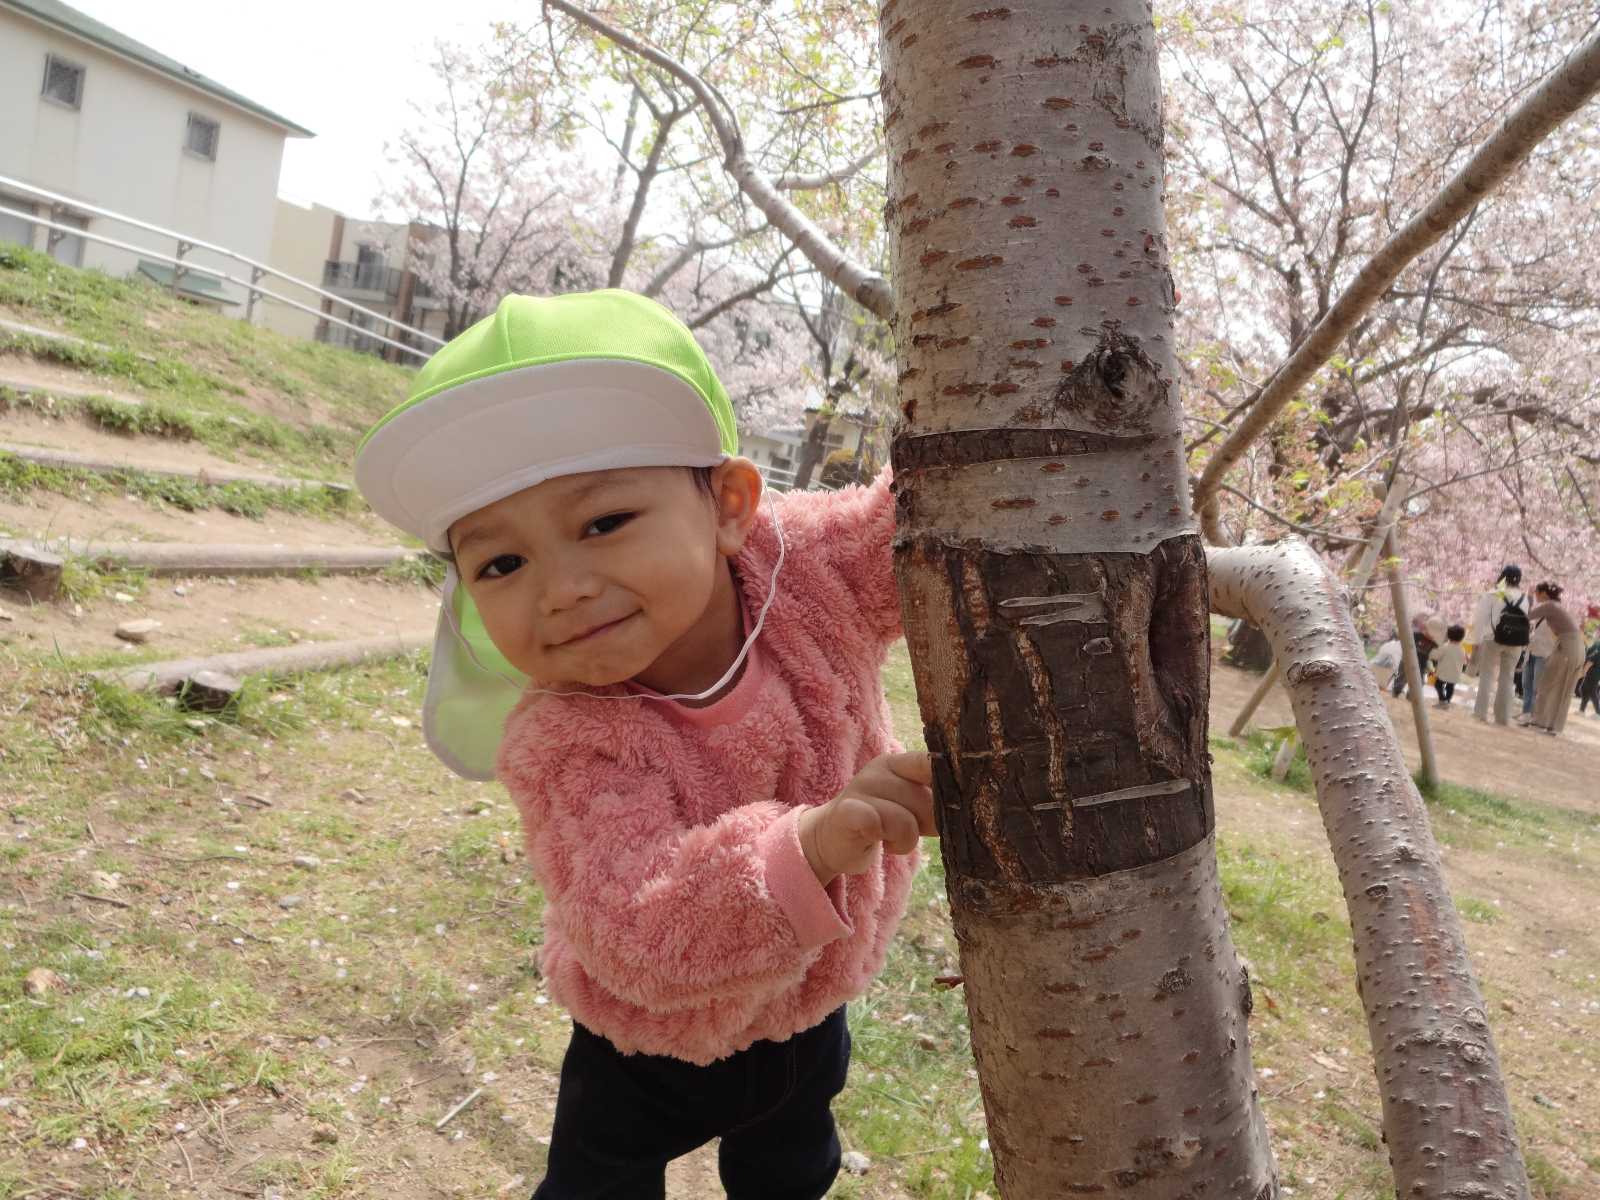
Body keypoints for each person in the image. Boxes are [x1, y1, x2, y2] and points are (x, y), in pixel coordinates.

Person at [352, 291, 933, 1199]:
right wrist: (810, 847)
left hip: (811, 998)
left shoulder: (803, 571)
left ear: (730, 504)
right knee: (597, 1180)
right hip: (647, 1047)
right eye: (502, 563)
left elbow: (929, 523)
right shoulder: (565, 737)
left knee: (792, 1163)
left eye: (604, 522)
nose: (564, 588)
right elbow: (635, 926)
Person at [1470, 565, 1530, 725]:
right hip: (1516, 642)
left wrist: (1476, 642)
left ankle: (1480, 713)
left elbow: (1481, 619)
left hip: (1493, 638)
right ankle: (1502, 717)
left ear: (1503, 576)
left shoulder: (1493, 594)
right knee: (1507, 677)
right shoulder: (1525, 598)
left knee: (1487, 676)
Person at [1526, 582, 1584, 736]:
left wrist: (1527, 598)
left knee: (1548, 683)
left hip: (1567, 646)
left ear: (1543, 593)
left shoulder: (1550, 605)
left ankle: (1539, 720)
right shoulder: (1558, 606)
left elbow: (1528, 615)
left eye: (1536, 592)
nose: (1535, 595)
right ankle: (1553, 725)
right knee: (1563, 688)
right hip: (1576, 646)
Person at [1516, 595, 1558, 722]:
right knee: (1526, 683)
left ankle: (1535, 715)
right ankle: (1526, 712)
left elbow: (1555, 638)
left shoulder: (1555, 619)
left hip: (1544, 654)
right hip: (1531, 651)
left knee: (1537, 687)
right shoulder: (1538, 616)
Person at [1429, 625, 1468, 708]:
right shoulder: (1462, 649)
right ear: (1462, 637)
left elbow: (1436, 656)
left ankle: (1443, 701)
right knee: (1450, 688)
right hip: (1455, 673)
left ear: (1448, 635)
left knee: (1438, 685)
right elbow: (1464, 662)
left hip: (1444, 672)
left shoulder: (1445, 647)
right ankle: (1447, 701)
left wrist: (1431, 652)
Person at [1578, 639, 1600, 716]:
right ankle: (1581, 710)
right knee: (1585, 690)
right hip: (1592, 672)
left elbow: (1591, 660)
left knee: (1592, 691)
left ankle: (1598, 712)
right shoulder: (1596, 644)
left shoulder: (1598, 645)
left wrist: (1583, 671)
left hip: (1593, 673)